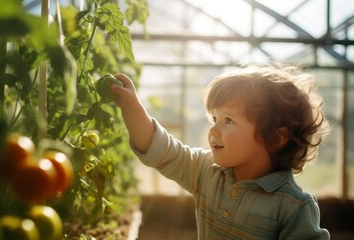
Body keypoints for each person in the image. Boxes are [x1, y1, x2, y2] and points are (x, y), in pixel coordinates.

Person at [110, 64, 331, 239]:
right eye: (214, 118)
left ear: (275, 139)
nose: (213, 129)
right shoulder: (207, 171)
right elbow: (162, 150)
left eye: (228, 120)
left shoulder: (294, 207)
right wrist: (131, 106)